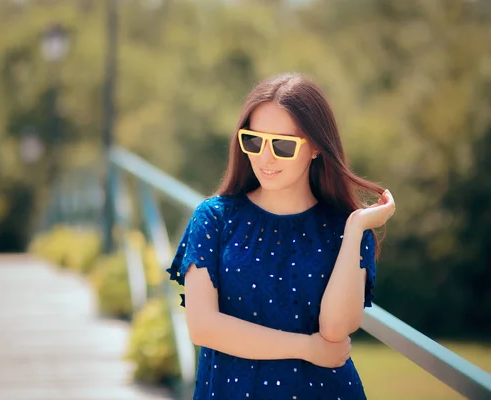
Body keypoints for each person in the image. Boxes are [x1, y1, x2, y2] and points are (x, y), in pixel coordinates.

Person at [166, 72, 396, 400]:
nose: (265, 157)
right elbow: (202, 327)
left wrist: (356, 227)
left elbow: (335, 330)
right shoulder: (214, 218)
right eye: (254, 141)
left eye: (283, 145)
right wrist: (306, 348)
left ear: (316, 146)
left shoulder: (344, 228)